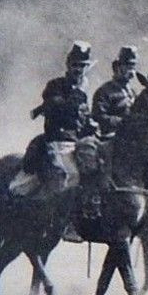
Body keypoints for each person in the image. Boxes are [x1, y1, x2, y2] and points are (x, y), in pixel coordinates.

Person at [14, 42, 98, 196]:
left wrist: (91, 125)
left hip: (78, 143)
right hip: (59, 141)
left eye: (83, 66)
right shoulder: (55, 86)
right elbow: (60, 111)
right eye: (75, 65)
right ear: (68, 65)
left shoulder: (83, 92)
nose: (78, 70)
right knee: (70, 175)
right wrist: (78, 91)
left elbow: (82, 119)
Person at [92, 46, 141, 140]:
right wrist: (121, 122)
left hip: (131, 138)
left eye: (133, 67)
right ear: (117, 67)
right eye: (128, 67)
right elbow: (98, 116)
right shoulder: (104, 91)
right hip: (111, 138)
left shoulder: (133, 92)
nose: (131, 72)